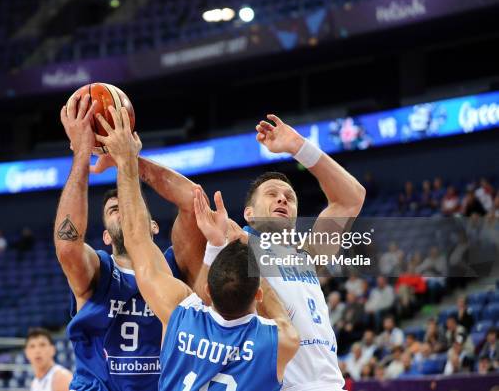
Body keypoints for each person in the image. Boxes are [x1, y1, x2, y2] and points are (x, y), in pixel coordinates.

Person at [94, 105, 300, 391]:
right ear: (258, 293)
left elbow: (136, 239)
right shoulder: (279, 342)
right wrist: (233, 244)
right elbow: (282, 318)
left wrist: (126, 162)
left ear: (206, 291)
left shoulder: (181, 315)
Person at [197, 114, 366, 391]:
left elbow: (352, 199)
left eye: (289, 197)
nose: (282, 199)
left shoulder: (307, 255)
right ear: (248, 214)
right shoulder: (237, 244)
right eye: (272, 194)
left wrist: (299, 146)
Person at [55, 93, 207, 391]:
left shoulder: (173, 266)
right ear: (106, 235)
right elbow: (67, 245)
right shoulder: (98, 269)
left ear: (150, 225)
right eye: (114, 210)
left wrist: (132, 161)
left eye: (128, 208)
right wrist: (82, 157)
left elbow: (194, 202)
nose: (124, 212)